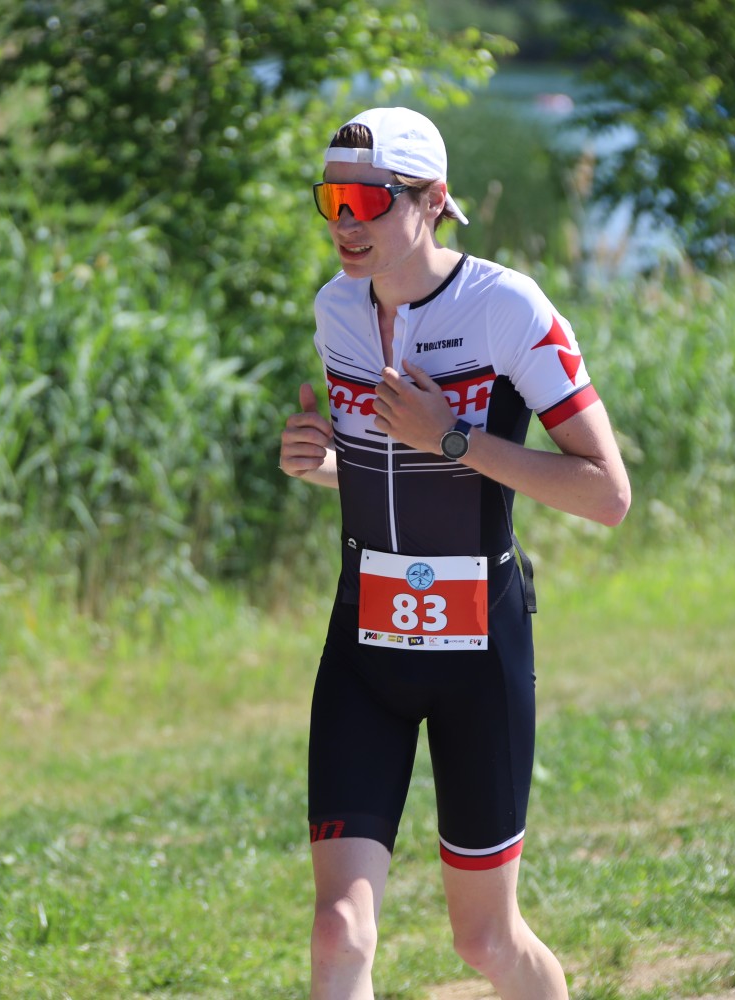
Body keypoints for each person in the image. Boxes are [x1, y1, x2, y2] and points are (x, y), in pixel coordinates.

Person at [278, 106, 632, 1000]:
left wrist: (453, 439)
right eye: (332, 200)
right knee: (337, 931)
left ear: (433, 200)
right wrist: (324, 463)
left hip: (478, 655)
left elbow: (607, 494)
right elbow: (384, 468)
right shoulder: (335, 310)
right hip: (365, 646)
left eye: (369, 200)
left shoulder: (505, 307)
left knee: (486, 942)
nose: (345, 222)